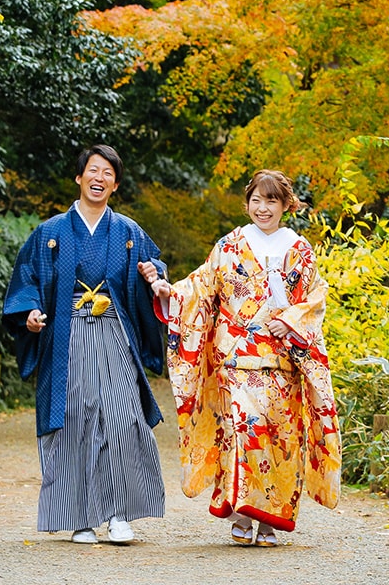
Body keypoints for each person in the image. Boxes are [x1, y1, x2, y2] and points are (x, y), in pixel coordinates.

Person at [143, 169, 340, 547]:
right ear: (247, 202)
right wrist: (171, 292)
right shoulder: (230, 244)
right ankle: (240, 511)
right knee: (242, 429)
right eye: (256, 200)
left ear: (286, 205)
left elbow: (316, 298)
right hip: (234, 358)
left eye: (271, 201)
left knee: (279, 438)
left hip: (282, 360)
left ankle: (269, 519)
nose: (262, 208)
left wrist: (290, 320)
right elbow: (201, 287)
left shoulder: (298, 248)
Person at [2, 144, 168, 545]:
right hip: (67, 333)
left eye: (107, 173)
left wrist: (155, 275)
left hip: (114, 331)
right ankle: (79, 517)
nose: (99, 178)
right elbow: (26, 282)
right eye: (92, 170)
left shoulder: (129, 232)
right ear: (79, 178)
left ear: (115, 183)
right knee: (74, 416)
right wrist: (30, 314)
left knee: (124, 415)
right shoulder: (50, 233)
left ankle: (118, 514)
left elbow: (155, 270)